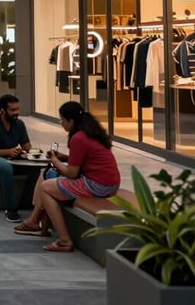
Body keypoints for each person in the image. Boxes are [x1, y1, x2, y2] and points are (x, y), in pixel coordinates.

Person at [14, 101, 120, 253]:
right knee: (46, 176)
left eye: (62, 119)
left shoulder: (78, 138)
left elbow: (71, 173)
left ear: (71, 121)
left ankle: (64, 240)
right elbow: (84, 160)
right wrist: (62, 157)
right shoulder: (91, 133)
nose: (61, 122)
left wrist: (55, 160)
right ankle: (37, 224)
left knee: (45, 187)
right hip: (108, 184)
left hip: (97, 186)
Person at [0, 94, 41, 223]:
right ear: (2, 110)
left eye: (17, 109)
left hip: (14, 158)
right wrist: (9, 151)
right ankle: (11, 208)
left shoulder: (19, 124)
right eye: (12, 110)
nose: (16, 113)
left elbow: (27, 146)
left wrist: (35, 152)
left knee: (36, 167)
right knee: (5, 167)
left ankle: (27, 202)